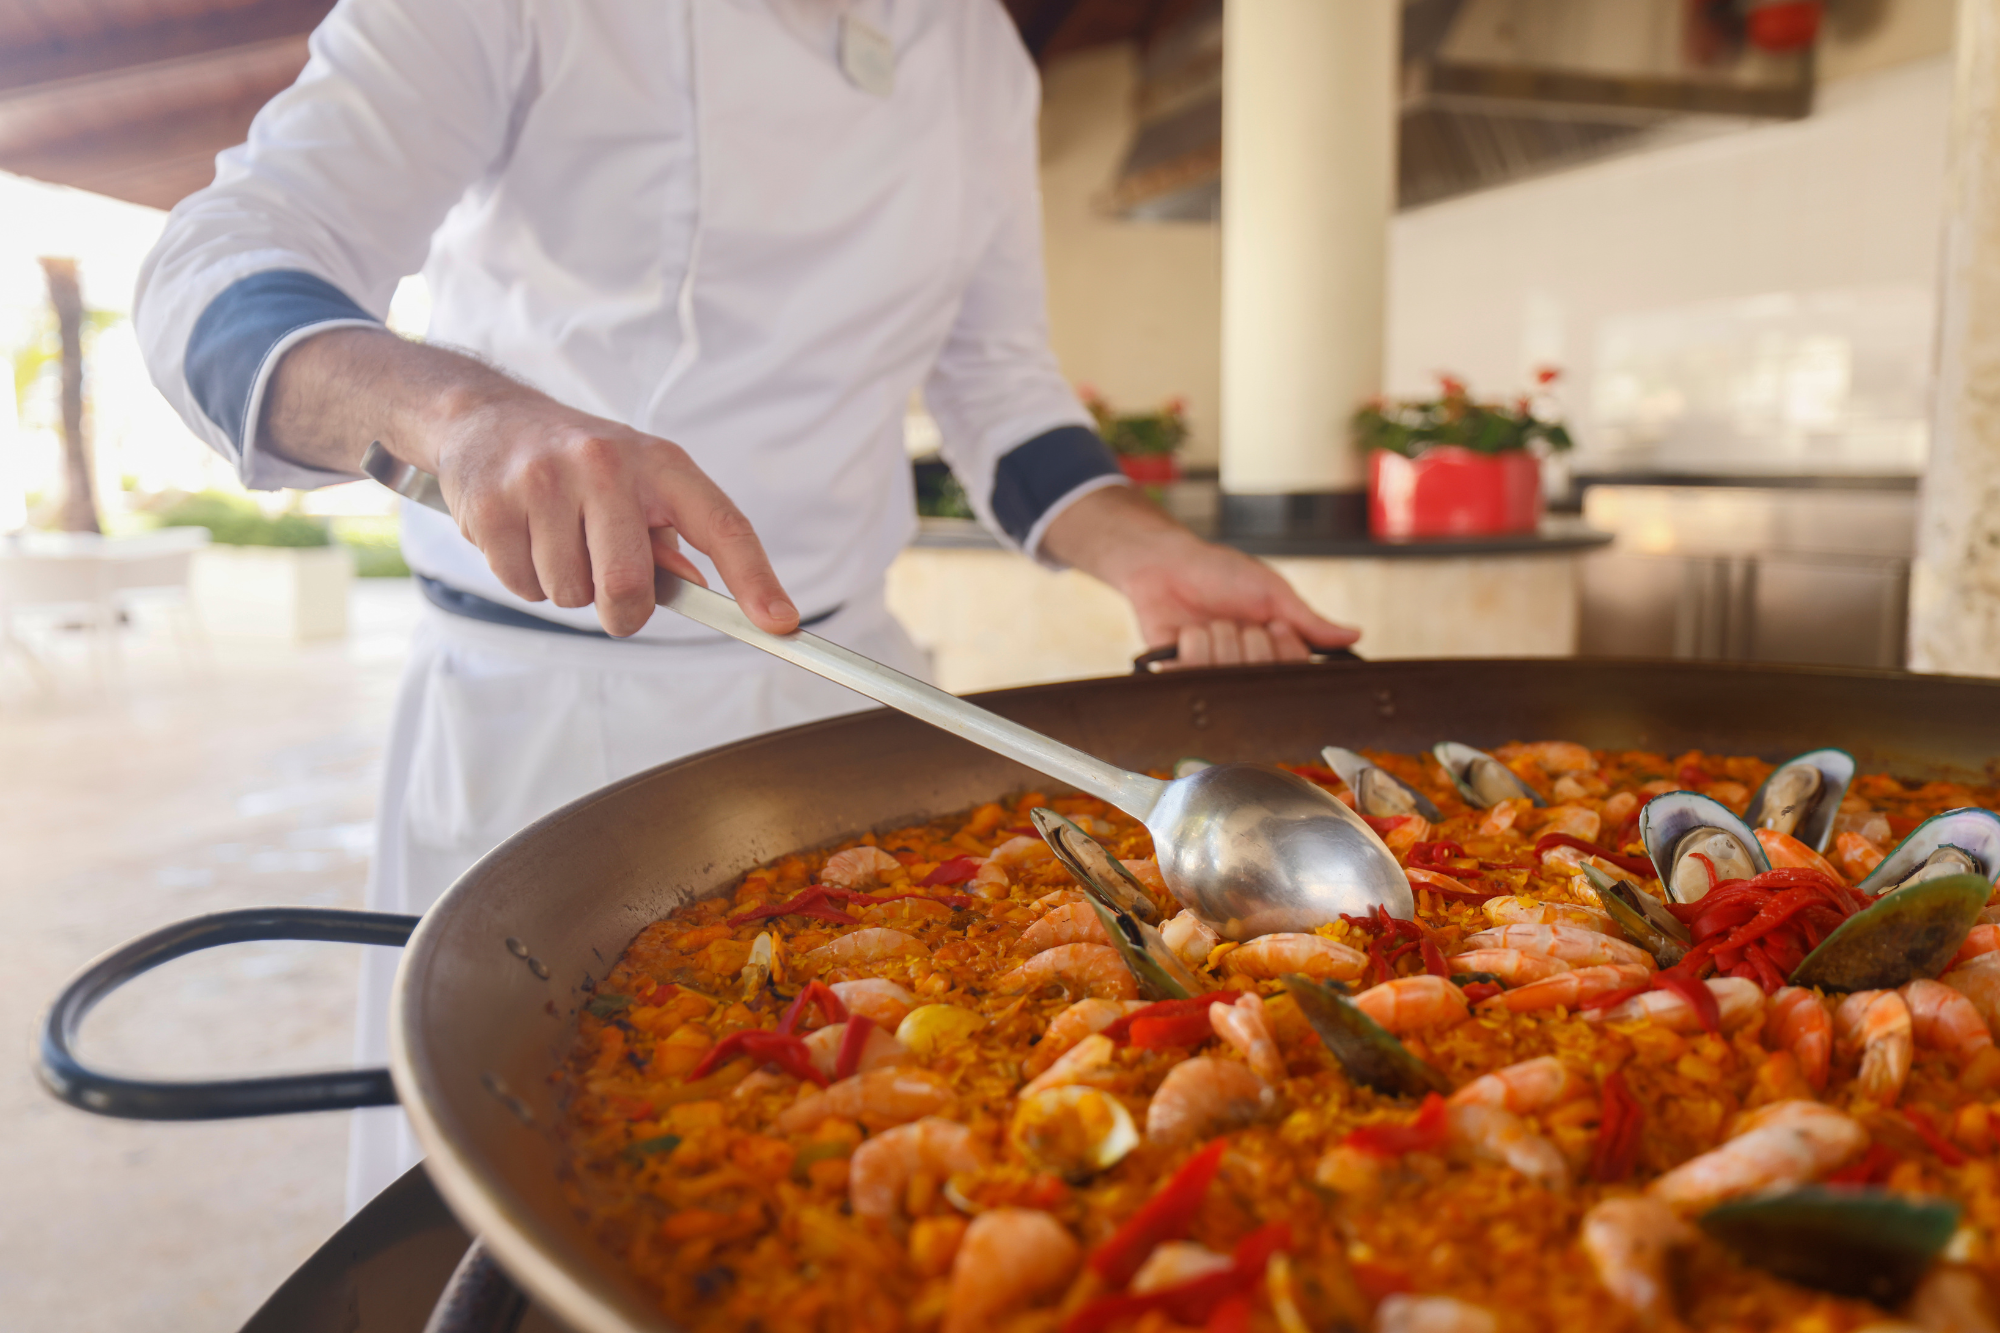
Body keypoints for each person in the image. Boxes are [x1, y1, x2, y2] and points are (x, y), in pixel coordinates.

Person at [135, 0, 1357, 1208]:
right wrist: (463, 416)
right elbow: (217, 274)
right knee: (526, 1190)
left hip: (854, 695)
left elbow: (998, 378)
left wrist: (1142, 553)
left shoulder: (974, 44)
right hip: (548, 714)